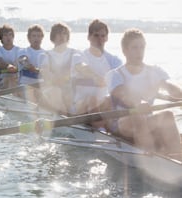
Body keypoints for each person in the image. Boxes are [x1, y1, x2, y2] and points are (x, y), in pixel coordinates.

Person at [106, 28, 182, 160]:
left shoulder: (154, 71)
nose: (139, 51)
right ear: (125, 50)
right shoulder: (114, 75)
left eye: (142, 47)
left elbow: (170, 87)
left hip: (147, 121)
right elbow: (125, 95)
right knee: (138, 116)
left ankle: (177, 157)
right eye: (135, 47)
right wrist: (139, 103)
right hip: (122, 124)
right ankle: (150, 161)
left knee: (168, 116)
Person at [70, 19, 122, 116]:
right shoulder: (79, 55)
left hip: (103, 105)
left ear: (107, 38)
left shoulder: (114, 60)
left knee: (113, 101)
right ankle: (101, 127)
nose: (100, 39)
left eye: (103, 36)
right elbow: (81, 67)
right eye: (96, 35)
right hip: (80, 105)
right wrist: (95, 77)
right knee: (92, 100)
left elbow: (122, 76)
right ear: (88, 37)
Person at [39, 22, 76, 114]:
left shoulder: (75, 53)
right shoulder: (45, 55)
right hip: (52, 90)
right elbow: (46, 74)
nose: (62, 36)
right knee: (56, 91)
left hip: (70, 90)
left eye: (64, 33)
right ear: (53, 37)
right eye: (59, 33)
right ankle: (66, 116)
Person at [16, 24, 45, 102]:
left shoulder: (46, 53)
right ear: (29, 38)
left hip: (40, 84)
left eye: (39, 36)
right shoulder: (23, 51)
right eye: (34, 36)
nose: (36, 38)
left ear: (42, 37)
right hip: (25, 83)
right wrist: (34, 69)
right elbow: (23, 60)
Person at [0, 24, 19, 89]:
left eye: (10, 35)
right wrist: (8, 66)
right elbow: (0, 63)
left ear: (13, 36)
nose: (8, 37)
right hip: (4, 79)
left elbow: (23, 59)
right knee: (9, 78)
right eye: (5, 35)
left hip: (18, 78)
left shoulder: (20, 50)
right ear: (1, 38)